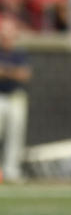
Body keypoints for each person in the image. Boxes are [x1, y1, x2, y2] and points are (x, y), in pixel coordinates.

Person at [0, 14, 31, 183]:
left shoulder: (20, 53)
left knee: (15, 137)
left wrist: (5, 71)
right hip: (0, 97)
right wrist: (13, 72)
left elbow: (24, 74)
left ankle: (12, 171)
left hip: (16, 98)